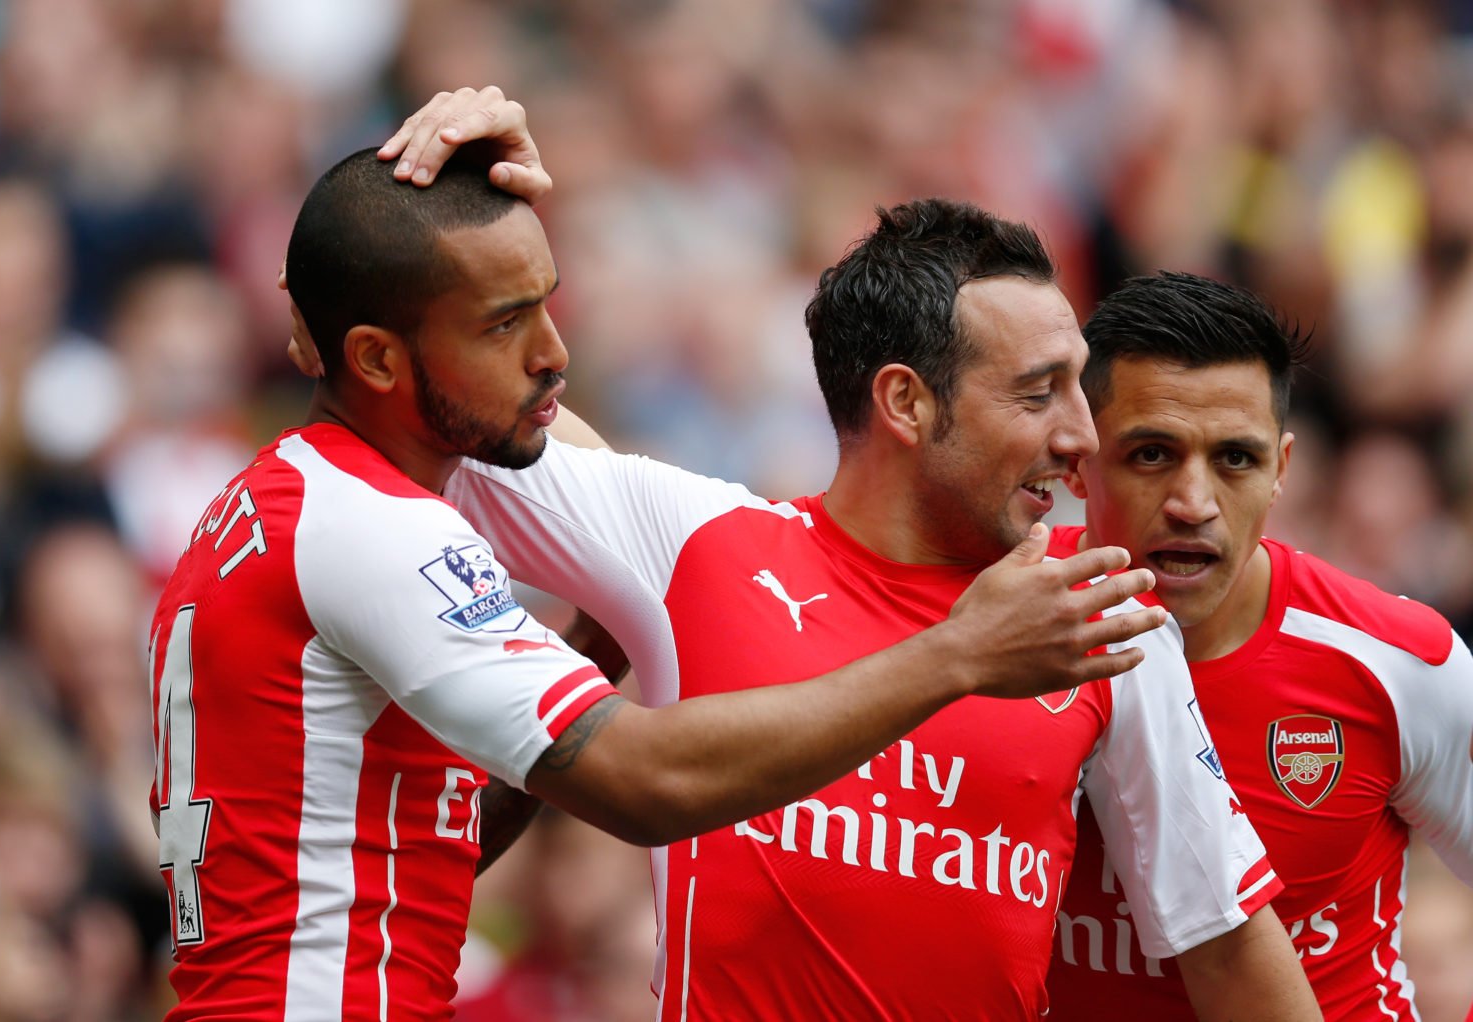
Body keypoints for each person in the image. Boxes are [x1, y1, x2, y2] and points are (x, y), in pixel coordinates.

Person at [148, 90, 1169, 1020]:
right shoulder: (375, 523)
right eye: (506, 322)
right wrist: (961, 654)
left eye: (548, 303)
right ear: (372, 357)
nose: (552, 350)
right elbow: (643, 786)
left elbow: (409, 855)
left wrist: (596, 638)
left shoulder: (285, 498)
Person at [354, 96, 1318, 1015]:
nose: (1082, 437)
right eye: (1038, 396)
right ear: (906, 403)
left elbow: (1226, 945)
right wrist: (459, 184)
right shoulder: (693, 541)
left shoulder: (1093, 609)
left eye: (1080, 392)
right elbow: (400, 373)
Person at [1045, 271, 1473, 1020]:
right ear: (1079, 459)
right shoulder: (991, 627)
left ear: (1282, 469)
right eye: (1151, 454)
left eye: (1235, 459)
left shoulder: (1397, 662)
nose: (1193, 503)